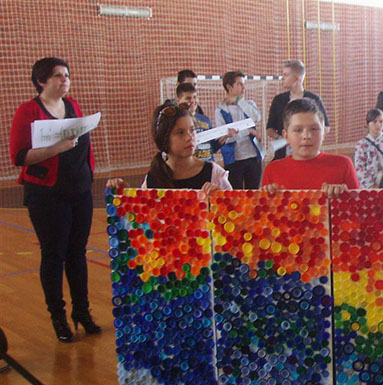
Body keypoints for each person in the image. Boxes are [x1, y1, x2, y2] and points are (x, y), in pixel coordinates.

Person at [9, 57, 100, 343]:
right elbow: (19, 156)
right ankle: (58, 316)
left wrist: (89, 175)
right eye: (58, 75)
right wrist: (57, 148)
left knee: (77, 254)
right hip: (47, 195)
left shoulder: (73, 106)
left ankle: (82, 311)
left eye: (67, 75)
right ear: (41, 81)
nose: (65, 80)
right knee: (54, 255)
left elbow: (84, 146)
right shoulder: (28, 111)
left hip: (79, 191)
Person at [106, 102, 232, 193]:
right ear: (165, 139)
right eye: (180, 132)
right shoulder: (153, 178)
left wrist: (220, 198)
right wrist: (125, 194)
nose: (189, 137)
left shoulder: (214, 174)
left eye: (192, 130)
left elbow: (234, 213)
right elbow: (143, 215)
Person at [261, 98, 358, 197]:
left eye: (314, 129)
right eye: (298, 130)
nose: (306, 136)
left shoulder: (343, 165)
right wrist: (271, 199)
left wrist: (343, 196)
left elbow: (359, 204)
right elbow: (263, 206)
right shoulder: (272, 170)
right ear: (286, 136)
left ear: (324, 133)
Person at [266, 60, 330, 160]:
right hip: (283, 155)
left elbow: (326, 126)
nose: (283, 78)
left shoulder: (314, 99)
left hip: (309, 155)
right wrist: (283, 138)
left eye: (286, 75)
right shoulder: (278, 100)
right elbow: (270, 129)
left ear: (297, 78)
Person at [213, 71, 264, 189]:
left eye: (243, 84)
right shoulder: (220, 110)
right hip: (233, 159)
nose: (243, 87)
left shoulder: (249, 104)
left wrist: (240, 101)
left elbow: (256, 118)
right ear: (229, 87)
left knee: (254, 193)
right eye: (239, 84)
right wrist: (248, 131)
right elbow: (225, 138)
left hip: (253, 156)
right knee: (236, 193)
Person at [353, 108, 383, 188]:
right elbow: (360, 167)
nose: (378, 125)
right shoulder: (361, 144)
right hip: (369, 187)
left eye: (381, 122)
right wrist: (372, 186)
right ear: (368, 123)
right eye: (375, 121)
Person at [176, 82, 219, 162]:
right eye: (188, 98)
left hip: (208, 164)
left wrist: (225, 136)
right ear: (178, 100)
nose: (192, 101)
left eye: (195, 97)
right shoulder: (176, 121)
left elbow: (213, 147)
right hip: (189, 166)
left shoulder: (205, 119)